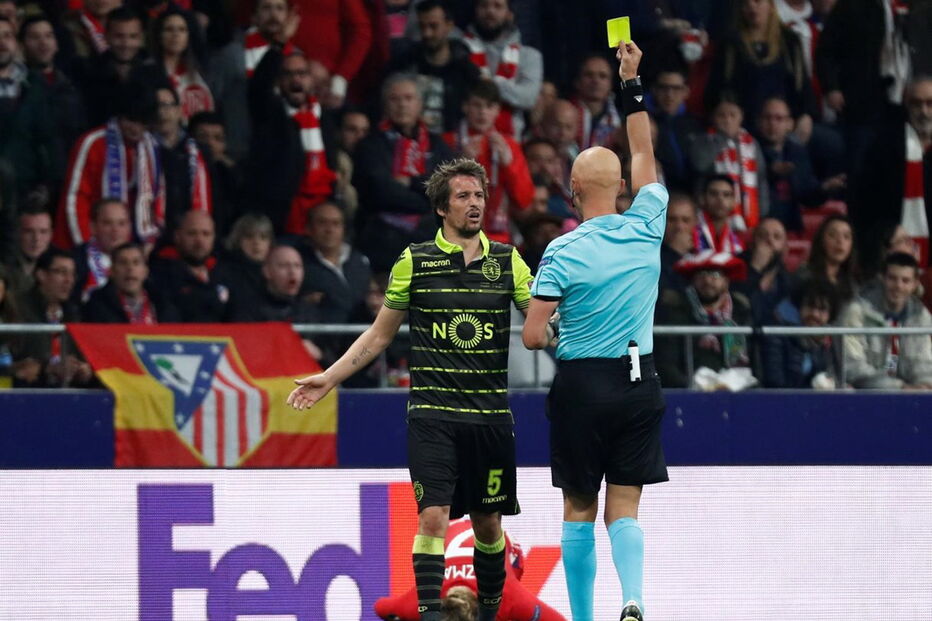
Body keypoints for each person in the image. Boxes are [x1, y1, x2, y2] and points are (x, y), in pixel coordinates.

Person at [288, 158, 534, 621]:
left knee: (488, 523)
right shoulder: (414, 261)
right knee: (433, 517)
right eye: (463, 196)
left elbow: (541, 322)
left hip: (490, 418)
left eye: (479, 195)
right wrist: (330, 377)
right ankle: (429, 613)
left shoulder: (507, 261)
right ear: (443, 207)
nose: (474, 203)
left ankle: (490, 610)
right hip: (432, 414)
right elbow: (379, 335)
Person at [522, 41, 666, 621]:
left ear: (574, 193)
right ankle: (632, 599)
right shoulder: (650, 219)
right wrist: (631, 81)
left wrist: (558, 328)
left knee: (578, 507)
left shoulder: (561, 250)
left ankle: (583, 618)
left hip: (582, 385)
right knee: (624, 506)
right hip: (639, 380)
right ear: (624, 190)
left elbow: (532, 337)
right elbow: (642, 149)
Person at [352, 73, 453, 273]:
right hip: (384, 234)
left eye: (408, 98)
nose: (402, 105)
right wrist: (426, 201)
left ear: (419, 104)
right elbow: (381, 192)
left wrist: (410, 182)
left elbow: (448, 189)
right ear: (385, 105)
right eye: (394, 99)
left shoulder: (437, 144)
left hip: (429, 233)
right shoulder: (371, 145)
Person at [373, 517, 566, 621]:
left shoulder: (510, 597)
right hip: (454, 531)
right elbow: (381, 608)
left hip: (507, 550)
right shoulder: (422, 601)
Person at [55, 84, 165, 251]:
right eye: (130, 120)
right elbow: (75, 198)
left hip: (133, 244)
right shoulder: (93, 143)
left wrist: (150, 240)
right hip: (85, 242)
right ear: (119, 117)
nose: (136, 128)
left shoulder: (151, 147)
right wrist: (85, 248)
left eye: (142, 123)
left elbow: (157, 195)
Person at [247, 46, 338, 235]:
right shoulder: (271, 115)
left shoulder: (323, 117)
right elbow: (258, 87)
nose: (296, 79)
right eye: (288, 74)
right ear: (279, 82)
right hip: (286, 213)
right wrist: (278, 46)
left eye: (301, 73)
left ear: (311, 80)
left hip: (322, 206)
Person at [851, 77, 932, 274]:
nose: (924, 111)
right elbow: (862, 202)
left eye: (930, 103)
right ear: (906, 104)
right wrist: (887, 233)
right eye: (916, 103)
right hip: (889, 254)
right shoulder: (883, 145)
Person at [443, 80, 533, 245]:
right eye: (477, 105)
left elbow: (524, 201)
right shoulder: (448, 142)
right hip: (454, 237)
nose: (482, 112)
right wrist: (460, 163)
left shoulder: (509, 146)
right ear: (465, 107)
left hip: (498, 238)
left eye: (489, 106)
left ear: (498, 110)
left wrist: (508, 164)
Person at [655, 251, 755, 389]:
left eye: (715, 275)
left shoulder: (740, 312)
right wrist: (692, 386)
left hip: (738, 392)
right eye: (701, 275)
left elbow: (754, 359)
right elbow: (667, 363)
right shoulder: (677, 311)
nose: (707, 281)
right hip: (691, 393)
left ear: (726, 281)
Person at [837, 252, 932, 390]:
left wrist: (925, 385)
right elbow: (852, 366)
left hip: (908, 395)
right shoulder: (857, 311)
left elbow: (924, 364)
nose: (898, 286)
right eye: (892, 278)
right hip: (864, 396)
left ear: (915, 284)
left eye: (905, 280)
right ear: (882, 278)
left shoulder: (921, 316)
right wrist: (899, 387)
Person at [386, 0, 480, 134]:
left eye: (433, 26)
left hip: (454, 145)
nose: (426, 33)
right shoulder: (404, 64)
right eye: (422, 26)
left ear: (449, 26)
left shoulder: (467, 72)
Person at [462, 0, 543, 137]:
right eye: (484, 5)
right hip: (463, 139)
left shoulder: (529, 56)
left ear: (509, 14)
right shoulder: (460, 49)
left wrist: (486, 83)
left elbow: (528, 98)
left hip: (511, 141)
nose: (490, 11)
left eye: (497, 6)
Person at [690, 96, 770, 233]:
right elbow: (700, 164)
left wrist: (762, 212)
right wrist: (723, 139)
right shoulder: (703, 141)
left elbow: (760, 178)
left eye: (733, 115)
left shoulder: (751, 144)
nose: (727, 120)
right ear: (714, 118)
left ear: (741, 117)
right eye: (722, 115)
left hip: (748, 215)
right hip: (711, 214)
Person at [291, 201, 371, 324]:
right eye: (322, 223)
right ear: (308, 228)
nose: (329, 229)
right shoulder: (297, 263)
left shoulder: (361, 262)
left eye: (336, 223)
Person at [147, 210, 233, 322]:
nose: (199, 240)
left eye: (206, 234)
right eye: (192, 233)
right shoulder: (161, 275)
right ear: (177, 236)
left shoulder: (226, 274)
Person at [763, 277, 839, 388]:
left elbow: (831, 379)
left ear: (830, 314)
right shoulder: (778, 335)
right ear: (800, 307)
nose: (815, 314)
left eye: (822, 309)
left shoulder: (827, 342)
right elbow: (775, 383)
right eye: (810, 306)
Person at [82, 242, 178, 323]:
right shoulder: (97, 306)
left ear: (145, 271)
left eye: (136, 262)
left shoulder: (163, 304)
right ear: (112, 271)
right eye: (123, 263)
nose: (130, 268)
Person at [151, 7, 213, 122]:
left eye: (182, 29)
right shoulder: (148, 72)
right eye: (169, 29)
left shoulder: (201, 71)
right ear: (159, 35)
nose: (175, 34)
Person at [232, 244, 321, 323]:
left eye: (297, 266)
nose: (292, 271)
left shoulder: (307, 310)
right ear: (267, 272)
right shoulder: (249, 309)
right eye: (284, 266)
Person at [71, 198, 133, 303]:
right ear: (93, 227)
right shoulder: (75, 260)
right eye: (108, 223)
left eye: (121, 223)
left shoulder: (141, 261)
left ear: (129, 228)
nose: (115, 230)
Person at [797, 213, 860, 306]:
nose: (840, 241)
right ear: (821, 240)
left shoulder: (852, 284)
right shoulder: (805, 275)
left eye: (846, 237)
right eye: (833, 235)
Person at [571, 54, 622, 151]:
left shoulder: (619, 120)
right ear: (577, 81)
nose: (595, 81)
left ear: (610, 84)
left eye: (602, 76)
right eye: (589, 75)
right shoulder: (562, 113)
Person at [693, 174, 745, 254]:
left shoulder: (739, 240)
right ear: (702, 198)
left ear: (734, 202)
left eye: (726, 195)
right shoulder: (690, 231)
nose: (720, 199)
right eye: (714, 194)